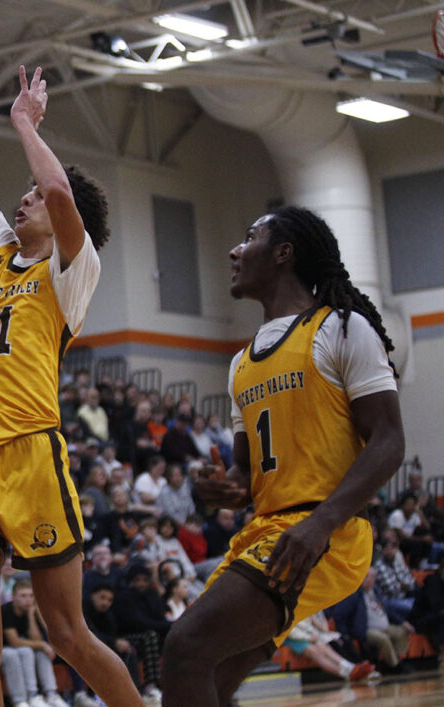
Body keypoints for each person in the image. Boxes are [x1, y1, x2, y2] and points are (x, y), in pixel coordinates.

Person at [0, 6, 138, 705]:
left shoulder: (74, 271)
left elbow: (54, 190)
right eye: (16, 200)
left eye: (32, 202)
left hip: (29, 455)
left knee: (67, 632)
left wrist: (25, 125)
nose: (22, 204)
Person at [161, 205, 406, 707]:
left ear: (283, 253)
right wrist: (223, 488)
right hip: (271, 532)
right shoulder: (240, 364)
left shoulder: (341, 328)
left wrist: (321, 523)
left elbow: (389, 440)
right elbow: (246, 473)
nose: (234, 250)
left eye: (249, 238)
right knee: (213, 678)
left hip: (327, 534)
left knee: (185, 647)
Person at [0, 578, 67, 707]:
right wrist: (42, 645)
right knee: (28, 650)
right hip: (4, 650)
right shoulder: (6, 610)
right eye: (23, 596)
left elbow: (37, 639)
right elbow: (14, 642)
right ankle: (30, 695)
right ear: (13, 597)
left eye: (31, 596)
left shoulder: (30, 610)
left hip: (22, 651)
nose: (28, 600)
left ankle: (51, 694)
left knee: (41, 653)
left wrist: (31, 616)